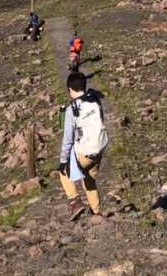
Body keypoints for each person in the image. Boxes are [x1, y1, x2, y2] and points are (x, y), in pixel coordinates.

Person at [58, 71, 108, 222]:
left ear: (70, 89)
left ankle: (75, 202)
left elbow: (68, 138)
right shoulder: (94, 99)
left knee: (64, 172)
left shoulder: (72, 108)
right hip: (99, 147)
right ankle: (96, 212)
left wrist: (63, 160)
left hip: (85, 151)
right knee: (89, 179)